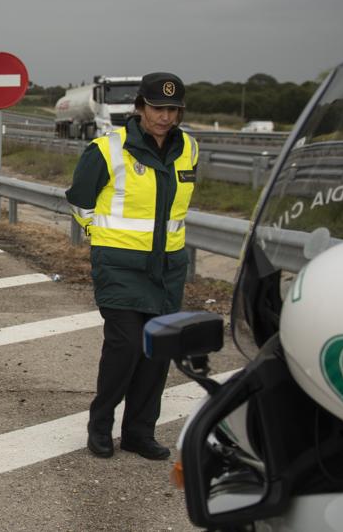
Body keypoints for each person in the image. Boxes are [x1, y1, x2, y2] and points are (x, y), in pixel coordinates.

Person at [66, 72, 198, 461]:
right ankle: (100, 426)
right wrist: (100, 238)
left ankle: (140, 433)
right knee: (125, 347)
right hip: (120, 268)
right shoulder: (107, 148)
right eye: (158, 108)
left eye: (173, 110)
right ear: (140, 107)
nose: (165, 117)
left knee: (156, 352)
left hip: (168, 270)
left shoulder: (189, 148)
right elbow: (79, 200)